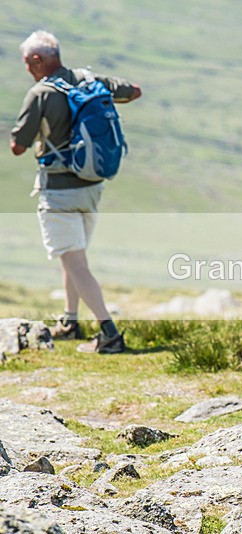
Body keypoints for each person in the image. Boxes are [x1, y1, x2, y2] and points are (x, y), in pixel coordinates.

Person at [10, 30, 142, 354]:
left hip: (58, 192)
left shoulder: (40, 93)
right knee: (73, 257)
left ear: (38, 60)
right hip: (92, 188)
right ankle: (70, 322)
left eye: (28, 63)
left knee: (76, 263)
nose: (27, 69)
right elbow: (134, 92)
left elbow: (17, 146)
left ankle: (109, 333)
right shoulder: (88, 79)